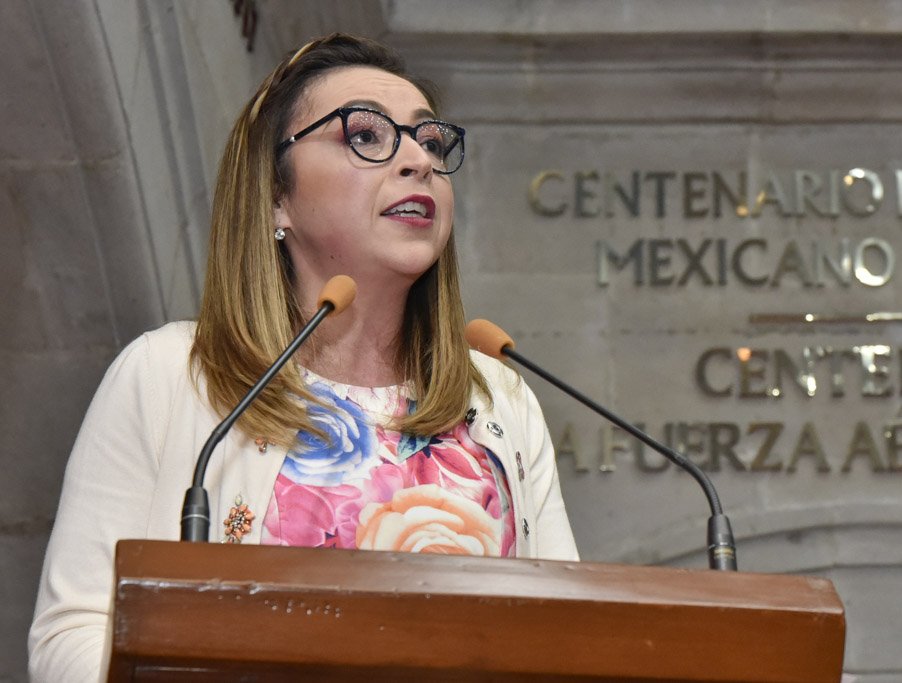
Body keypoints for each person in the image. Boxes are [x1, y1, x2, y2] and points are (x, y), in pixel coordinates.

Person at [28, 33, 577, 682]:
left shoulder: (500, 398)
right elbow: (73, 636)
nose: (418, 161)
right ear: (275, 195)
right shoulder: (170, 375)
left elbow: (570, 636)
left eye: (431, 142)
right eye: (366, 135)